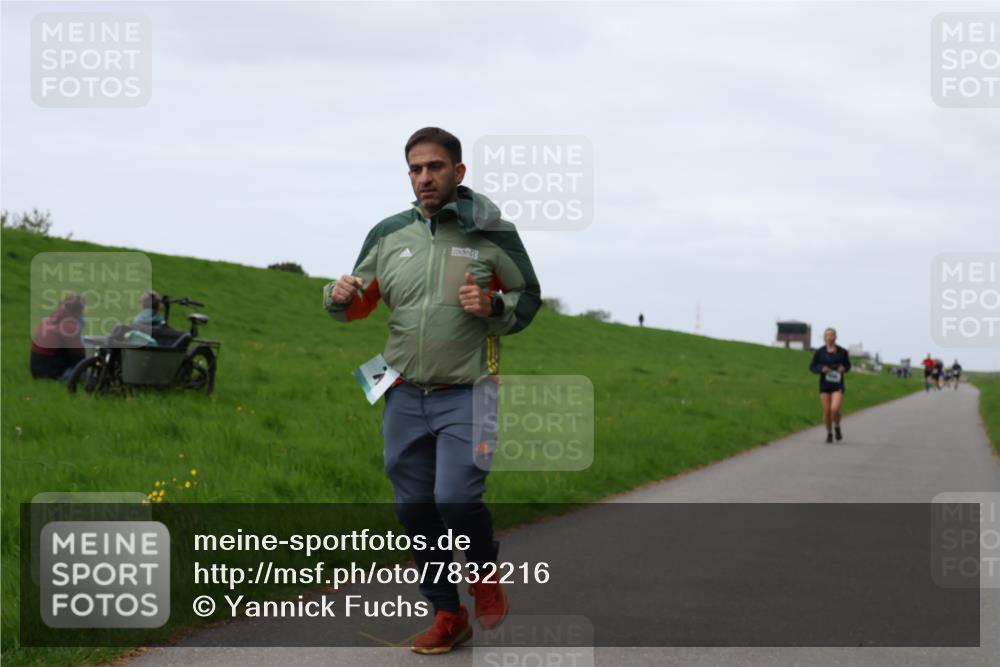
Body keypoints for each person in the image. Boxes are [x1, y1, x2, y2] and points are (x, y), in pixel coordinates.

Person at [324, 127, 541, 654]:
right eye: (416, 169)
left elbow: (528, 297)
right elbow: (358, 304)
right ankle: (448, 614)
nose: (425, 178)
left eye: (435, 167)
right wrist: (337, 295)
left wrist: (492, 308)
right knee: (414, 509)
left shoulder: (492, 234)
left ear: (458, 172)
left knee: (457, 499)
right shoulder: (388, 233)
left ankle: (484, 574)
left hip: (469, 392)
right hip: (401, 391)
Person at [809, 327, 851, 443]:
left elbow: (848, 366)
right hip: (824, 385)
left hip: (838, 385)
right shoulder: (819, 352)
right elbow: (812, 367)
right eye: (827, 335)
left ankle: (837, 426)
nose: (829, 337)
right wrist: (821, 369)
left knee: (834, 409)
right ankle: (829, 433)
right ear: (824, 337)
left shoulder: (842, 352)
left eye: (832, 335)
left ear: (835, 337)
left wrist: (844, 368)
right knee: (827, 411)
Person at [30, 293, 85, 380]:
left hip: (36, 372)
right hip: (53, 374)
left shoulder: (46, 320)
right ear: (79, 311)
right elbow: (78, 358)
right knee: (88, 374)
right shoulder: (70, 326)